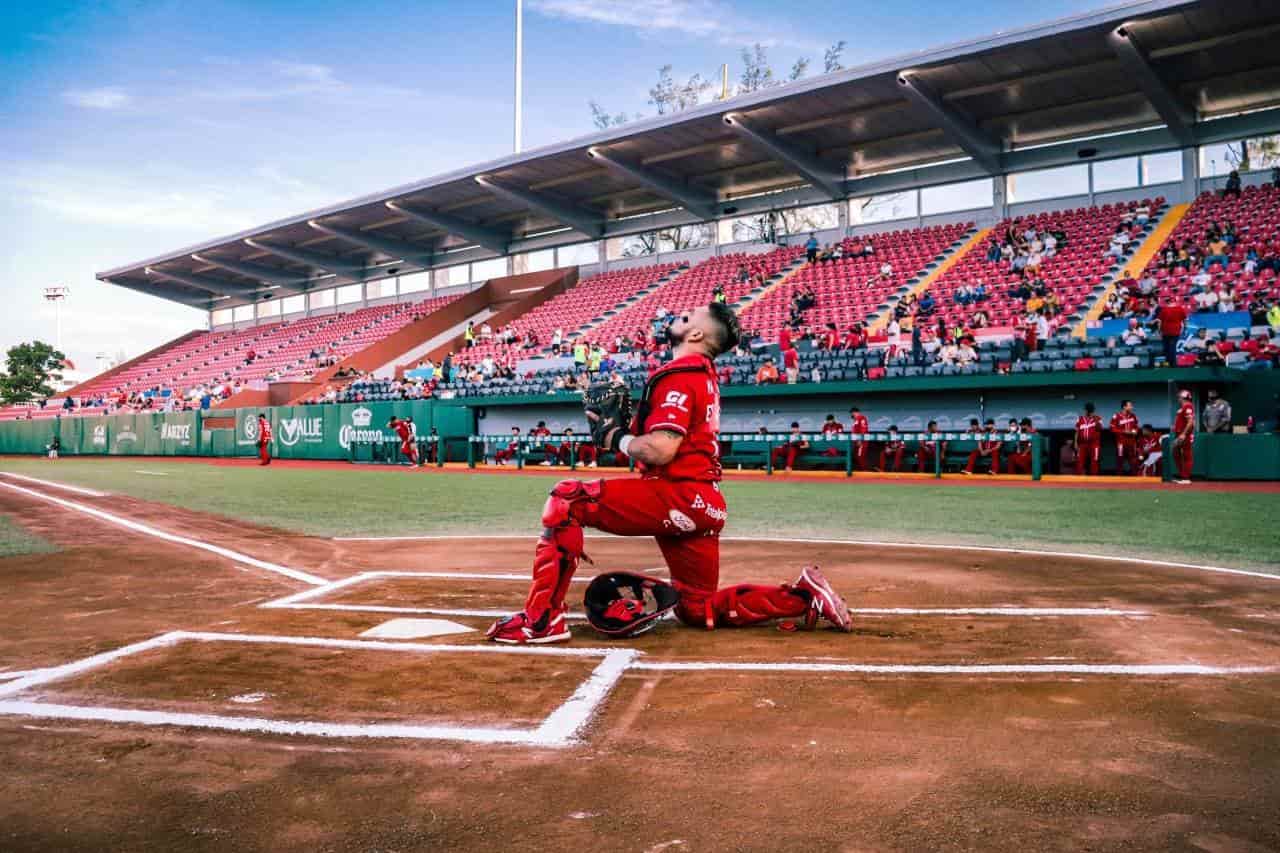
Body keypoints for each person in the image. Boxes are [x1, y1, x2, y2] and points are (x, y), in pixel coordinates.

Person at [485, 302, 853, 644]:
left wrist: (617, 437)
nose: (680, 317)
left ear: (696, 336)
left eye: (688, 317)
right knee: (697, 608)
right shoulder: (703, 377)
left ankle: (541, 619)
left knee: (568, 498)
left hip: (677, 492)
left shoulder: (679, 374)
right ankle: (803, 597)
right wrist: (629, 431)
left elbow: (661, 450)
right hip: (704, 503)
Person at [1110, 400, 1140, 475]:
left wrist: (1135, 431)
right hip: (1121, 442)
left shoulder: (1133, 416)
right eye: (1130, 406)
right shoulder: (1116, 416)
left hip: (1131, 441)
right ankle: (1119, 479)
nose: (1132, 407)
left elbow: (1136, 427)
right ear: (1124, 407)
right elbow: (1112, 429)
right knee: (1120, 460)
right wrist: (1124, 431)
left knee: (1133, 460)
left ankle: (1136, 478)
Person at [1157, 295, 1188, 366]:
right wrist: (1185, 328)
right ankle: (1173, 364)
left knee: (1167, 347)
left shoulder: (1164, 309)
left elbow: (1159, 322)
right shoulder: (1180, 309)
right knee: (1173, 347)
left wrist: (1159, 331)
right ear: (1175, 301)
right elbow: (1185, 320)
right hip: (1176, 331)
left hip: (1165, 331)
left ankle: (1168, 363)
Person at [1172, 389, 1195, 484]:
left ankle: (1186, 478)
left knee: (1187, 455)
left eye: (1180, 397)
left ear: (1183, 397)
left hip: (1184, 434)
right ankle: (1183, 476)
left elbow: (1190, 422)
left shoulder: (1188, 406)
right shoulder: (1182, 407)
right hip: (1179, 433)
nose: (1178, 398)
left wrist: (1184, 434)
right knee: (1175, 453)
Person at [1074, 402, 1103, 476]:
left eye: (1090, 411)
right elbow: (1077, 432)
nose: (1088, 412)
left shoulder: (1098, 418)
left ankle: (1094, 479)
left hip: (1094, 443)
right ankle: (1079, 478)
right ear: (1085, 410)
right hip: (1082, 443)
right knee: (1080, 461)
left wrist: (1095, 419)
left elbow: (1100, 428)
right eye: (1087, 410)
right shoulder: (1080, 419)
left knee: (1094, 461)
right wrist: (1075, 443)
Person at [849, 406, 869, 470]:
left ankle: (865, 471)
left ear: (856, 412)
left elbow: (864, 429)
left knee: (860, 456)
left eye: (852, 413)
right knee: (857, 456)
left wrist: (860, 440)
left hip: (862, 441)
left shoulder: (862, 418)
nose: (852, 414)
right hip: (857, 442)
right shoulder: (856, 420)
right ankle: (864, 470)